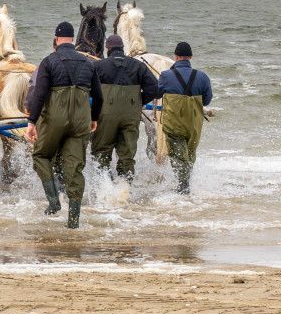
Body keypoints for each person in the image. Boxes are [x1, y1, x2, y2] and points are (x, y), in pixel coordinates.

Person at [24, 21, 103, 229]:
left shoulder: (49, 62)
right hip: (80, 121)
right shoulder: (88, 63)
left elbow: (39, 95)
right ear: (73, 39)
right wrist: (94, 118)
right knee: (74, 169)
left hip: (55, 120)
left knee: (41, 155)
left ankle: (53, 202)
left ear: (56, 39)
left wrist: (32, 122)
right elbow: (99, 97)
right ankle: (73, 222)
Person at [91, 33, 160, 180]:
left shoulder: (98, 66)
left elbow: (86, 89)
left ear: (107, 49)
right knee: (127, 155)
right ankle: (124, 189)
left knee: (101, 152)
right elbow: (155, 88)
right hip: (131, 115)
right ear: (122, 48)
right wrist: (138, 102)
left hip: (106, 115)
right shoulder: (139, 66)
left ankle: (105, 187)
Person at [157, 42, 214, 194]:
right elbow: (206, 101)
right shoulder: (202, 76)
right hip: (194, 126)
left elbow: (156, 93)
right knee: (189, 156)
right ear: (191, 57)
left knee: (178, 158)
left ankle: (183, 190)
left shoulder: (166, 75)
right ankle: (185, 188)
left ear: (175, 57)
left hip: (174, 124)